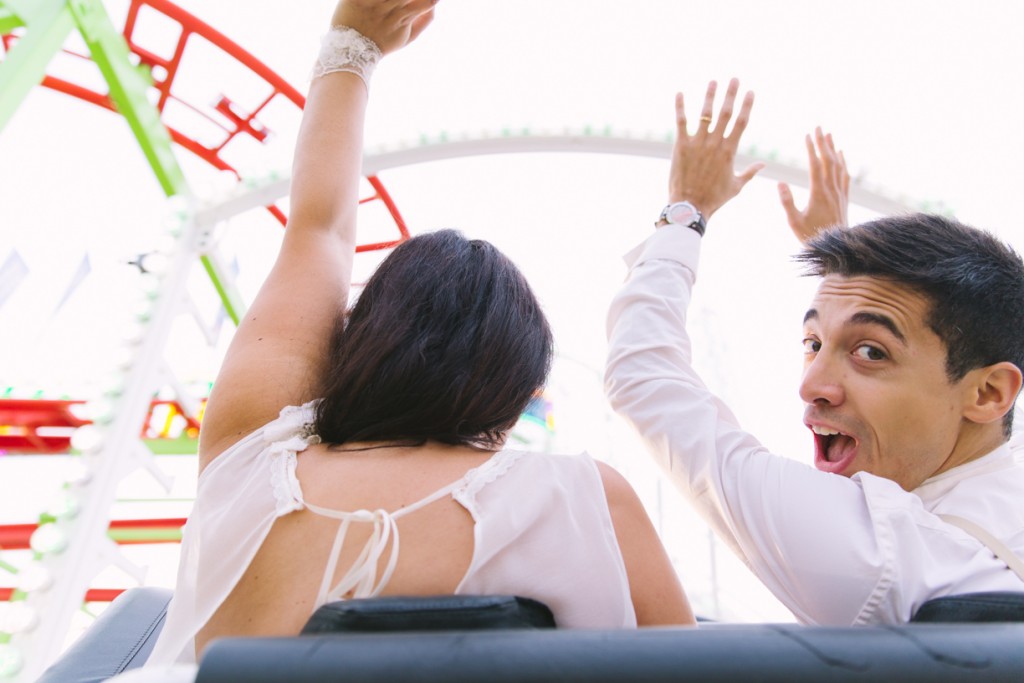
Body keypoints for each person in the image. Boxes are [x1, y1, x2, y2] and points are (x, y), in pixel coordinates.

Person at [134, 0, 692, 675]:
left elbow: (319, 229)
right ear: (515, 397)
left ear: (358, 342)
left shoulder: (250, 456)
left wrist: (353, 46)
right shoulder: (585, 499)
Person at [605, 77, 1024, 625]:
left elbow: (643, 375)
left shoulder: (880, 553)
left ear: (989, 392)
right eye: (813, 343)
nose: (810, 386)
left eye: (871, 353)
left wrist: (686, 211)